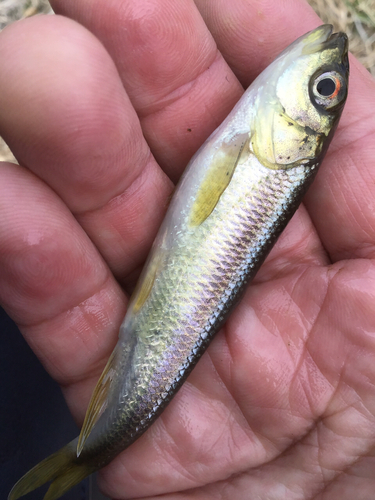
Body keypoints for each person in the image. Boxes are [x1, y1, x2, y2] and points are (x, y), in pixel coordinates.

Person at [0, 1, 374, 498]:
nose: (321, 81)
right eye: (323, 89)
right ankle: (85, 453)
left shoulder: (270, 152)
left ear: (300, 138)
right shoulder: (270, 146)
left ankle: (87, 453)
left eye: (321, 91)